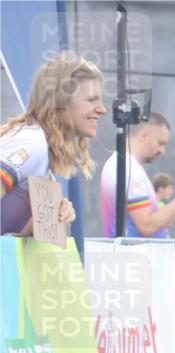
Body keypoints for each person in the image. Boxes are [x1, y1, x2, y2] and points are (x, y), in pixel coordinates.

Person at [1, 52, 104, 236]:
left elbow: (11, 237)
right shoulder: (33, 143)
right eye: (91, 100)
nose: (102, 109)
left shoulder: (39, 147)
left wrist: (50, 215)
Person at [100, 112, 175, 238]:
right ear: (144, 135)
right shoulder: (129, 169)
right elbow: (146, 226)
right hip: (135, 255)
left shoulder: (124, 165)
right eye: (160, 143)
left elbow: (143, 219)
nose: (162, 150)